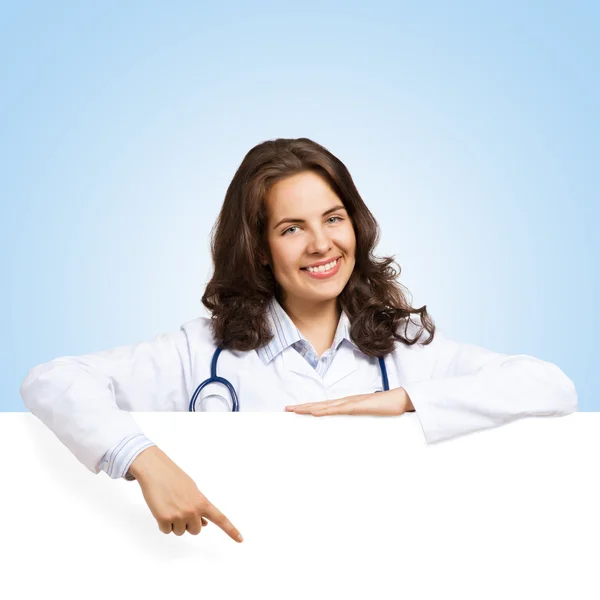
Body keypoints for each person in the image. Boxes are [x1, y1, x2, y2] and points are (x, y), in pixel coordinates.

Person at [20, 137, 578, 543]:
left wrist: (407, 399)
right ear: (259, 247)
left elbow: (551, 387)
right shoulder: (199, 352)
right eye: (291, 228)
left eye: (333, 219)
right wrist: (143, 459)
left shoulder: (406, 350)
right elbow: (53, 379)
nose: (321, 245)